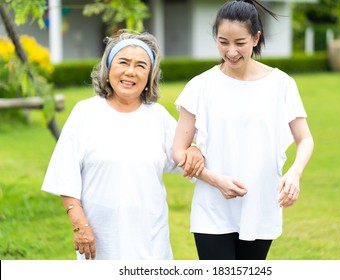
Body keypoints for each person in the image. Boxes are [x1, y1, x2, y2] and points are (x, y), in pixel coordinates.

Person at [41, 30, 204, 260]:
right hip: (100, 242)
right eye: (123, 62)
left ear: (149, 76)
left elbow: (184, 156)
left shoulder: (158, 116)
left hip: (151, 244)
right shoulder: (85, 113)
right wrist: (80, 226)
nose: (130, 71)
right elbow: (65, 177)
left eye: (141, 65)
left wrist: (195, 149)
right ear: (108, 69)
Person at [172, 0, 314, 260]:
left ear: (256, 38)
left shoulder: (282, 84)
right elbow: (178, 151)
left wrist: (295, 173)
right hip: (212, 209)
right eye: (223, 42)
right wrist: (216, 181)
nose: (231, 51)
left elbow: (304, 139)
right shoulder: (200, 86)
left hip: (261, 207)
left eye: (240, 43)